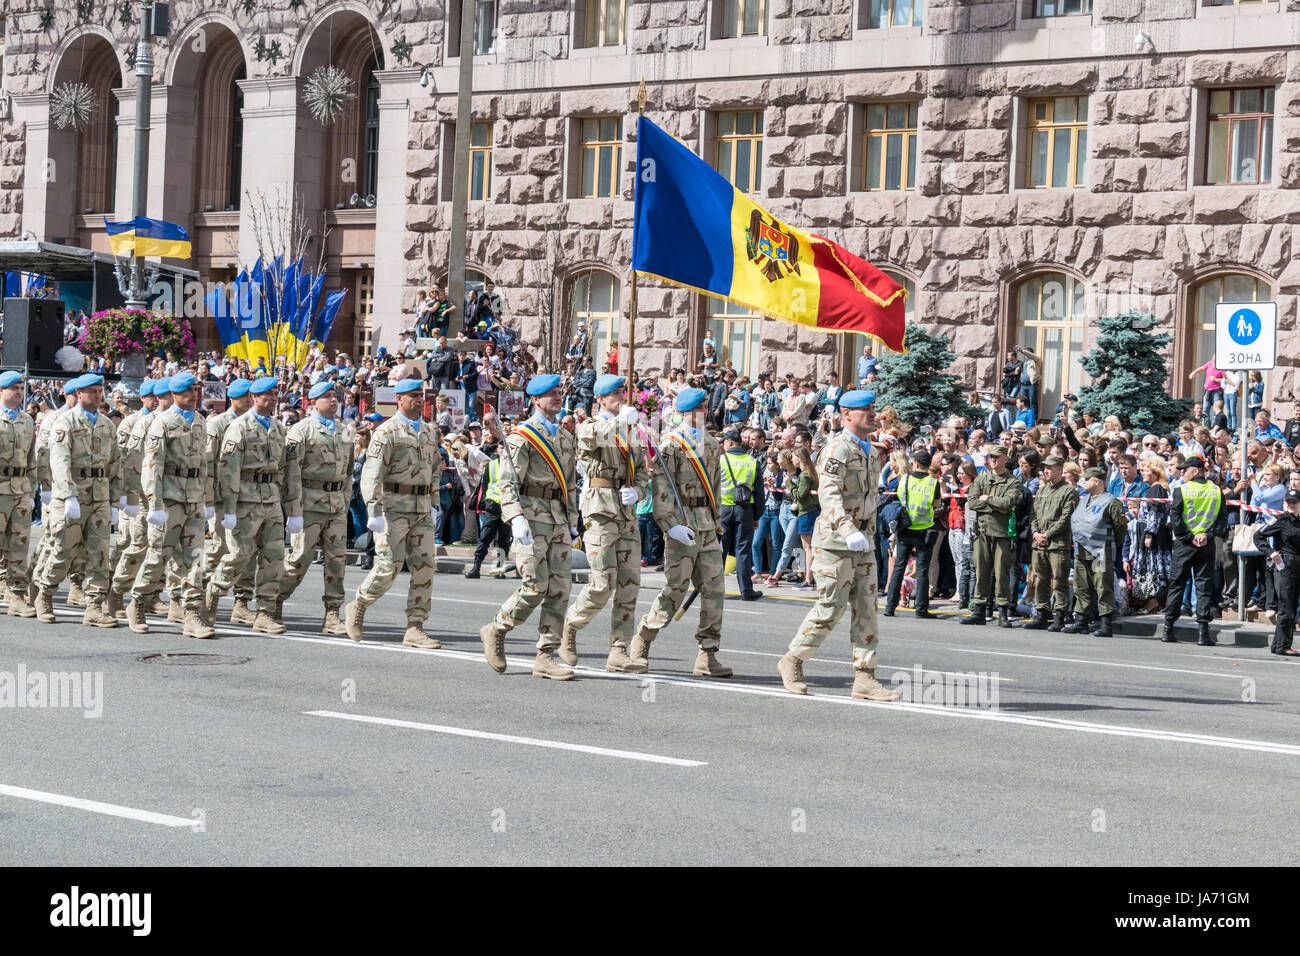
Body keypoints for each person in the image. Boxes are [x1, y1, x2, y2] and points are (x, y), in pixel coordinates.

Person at [778, 390, 900, 701]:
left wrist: (868, 533)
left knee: (867, 609)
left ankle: (865, 677)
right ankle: (792, 661)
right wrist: (848, 530)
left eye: (873, 409)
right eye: (866, 410)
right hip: (836, 542)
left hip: (863, 541)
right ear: (846, 415)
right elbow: (828, 495)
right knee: (830, 607)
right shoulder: (836, 449)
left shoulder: (871, 452)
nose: (873, 415)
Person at [479, 375, 580, 680]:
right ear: (535, 400)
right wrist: (516, 517)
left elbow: (570, 484)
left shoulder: (564, 437)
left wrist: (574, 521)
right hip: (531, 519)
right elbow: (507, 481)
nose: (557, 398)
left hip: (559, 519)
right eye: (550, 394)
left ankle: (545, 656)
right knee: (535, 586)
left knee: (560, 588)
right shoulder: (522, 437)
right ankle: (497, 628)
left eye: (559, 392)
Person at [632, 387, 733, 676]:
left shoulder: (712, 444)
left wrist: (716, 522)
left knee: (715, 591)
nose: (705, 410)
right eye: (700, 407)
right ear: (686, 412)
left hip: (706, 525)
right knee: (675, 590)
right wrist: (670, 524)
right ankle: (643, 639)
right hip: (682, 523)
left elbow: (715, 487)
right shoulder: (671, 446)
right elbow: (661, 488)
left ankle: (707, 654)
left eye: (705, 406)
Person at [343, 378, 442, 648]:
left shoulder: (429, 432)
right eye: (412, 396)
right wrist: (373, 510)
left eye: (420, 395)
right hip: (393, 508)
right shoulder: (387, 432)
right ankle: (359, 604)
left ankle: (415, 627)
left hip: (421, 509)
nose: (419, 400)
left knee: (424, 568)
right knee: (389, 566)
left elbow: (435, 468)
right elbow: (371, 473)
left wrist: (435, 504)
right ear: (398, 399)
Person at [561, 374, 649, 673]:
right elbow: (592, 440)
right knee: (603, 582)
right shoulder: (590, 425)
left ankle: (619, 649)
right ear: (600, 399)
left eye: (623, 392)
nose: (622, 397)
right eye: (615, 394)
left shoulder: (629, 430)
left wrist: (638, 490)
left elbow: (642, 472)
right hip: (600, 512)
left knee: (629, 584)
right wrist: (620, 422)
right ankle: (570, 627)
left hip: (626, 513)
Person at [205, 376, 296, 635]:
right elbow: (228, 470)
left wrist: (287, 504)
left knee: (274, 556)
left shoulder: (278, 428)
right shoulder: (239, 427)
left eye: (275, 393)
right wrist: (229, 509)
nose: (272, 398)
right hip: (244, 498)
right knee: (239, 555)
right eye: (266, 394)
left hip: (270, 498)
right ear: (254, 398)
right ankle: (211, 597)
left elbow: (281, 469)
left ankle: (264, 612)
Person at [126, 372, 211, 637]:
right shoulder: (162, 423)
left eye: (195, 390)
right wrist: (155, 504)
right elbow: (151, 466)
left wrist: (206, 499)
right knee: (157, 556)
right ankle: (138, 602)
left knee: (196, 558)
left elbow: (203, 464)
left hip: (194, 499)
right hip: (170, 499)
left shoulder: (199, 422)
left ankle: (192, 613)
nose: (193, 395)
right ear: (174, 395)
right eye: (187, 392)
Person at [35, 374, 122, 627]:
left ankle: (94, 606)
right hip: (73, 495)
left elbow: (115, 465)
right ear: (80, 393)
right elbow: (59, 461)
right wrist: (68, 494)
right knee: (63, 550)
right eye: (92, 391)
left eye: (100, 391)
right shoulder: (66, 423)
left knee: (99, 554)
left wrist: (115, 502)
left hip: (100, 496)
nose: (97, 395)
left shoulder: (106, 425)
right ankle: (45, 595)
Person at [278, 381, 353, 635]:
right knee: (300, 559)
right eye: (327, 396)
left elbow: (348, 472)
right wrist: (294, 512)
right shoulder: (301, 431)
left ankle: (332, 615)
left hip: (336, 505)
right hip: (309, 504)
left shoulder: (345, 431)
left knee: (337, 562)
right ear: (313, 403)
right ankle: (273, 603)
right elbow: (291, 473)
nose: (333, 400)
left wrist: (345, 499)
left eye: (335, 396)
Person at [191, 378, 255, 622]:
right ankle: (197, 593)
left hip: (249, 497)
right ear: (233, 399)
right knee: (220, 548)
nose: (249, 400)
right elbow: (209, 463)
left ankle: (241, 602)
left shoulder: (254, 423)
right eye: (244, 397)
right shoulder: (218, 424)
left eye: (251, 396)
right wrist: (208, 500)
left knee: (248, 552)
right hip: (222, 497)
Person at [1158, 456, 1228, 647]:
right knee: (1203, 587)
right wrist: (1206, 535)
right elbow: (1222, 521)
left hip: (1184, 545)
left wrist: (1190, 537)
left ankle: (1168, 630)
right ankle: (1203, 634)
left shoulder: (1182, 489)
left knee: (1177, 585)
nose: (1182, 473)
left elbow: (1175, 519)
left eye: (1185, 470)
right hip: (1207, 544)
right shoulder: (1216, 491)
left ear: (1195, 471)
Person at [960, 443, 1021, 628]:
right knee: (981, 572)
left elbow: (1009, 503)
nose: (992, 460)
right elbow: (972, 502)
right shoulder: (981, 480)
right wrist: (995, 506)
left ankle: (1002, 611)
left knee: (1002, 574)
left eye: (996, 457)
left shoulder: (1012, 481)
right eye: (990, 457)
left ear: (1005, 459)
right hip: (982, 532)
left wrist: (988, 500)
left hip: (1002, 533)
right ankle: (979, 611)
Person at [1063, 467, 1129, 637]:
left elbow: (1120, 528)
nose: (1083, 482)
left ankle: (1106, 624)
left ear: (1097, 481)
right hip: (1081, 550)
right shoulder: (1083, 500)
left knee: (1102, 586)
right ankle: (1081, 622)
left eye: (1087, 479)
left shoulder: (1111, 502)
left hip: (1100, 551)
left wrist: (1111, 544)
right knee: (1081, 586)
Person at [884, 449, 941, 619]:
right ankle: (921, 609)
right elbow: (936, 503)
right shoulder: (933, 483)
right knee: (922, 570)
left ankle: (890, 606)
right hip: (925, 531)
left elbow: (901, 500)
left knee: (899, 567)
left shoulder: (905, 479)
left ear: (915, 463)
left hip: (905, 529)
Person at [0, 371, 37, 617]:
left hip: (21, 489)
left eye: (22, 388)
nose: (19, 392)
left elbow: (31, 459)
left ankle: (16, 595)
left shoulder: (27, 420)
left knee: (19, 545)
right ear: (1, 391)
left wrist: (33, 491)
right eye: (14, 388)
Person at [1023, 455, 1074, 631]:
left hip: (1057, 544)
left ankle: (1060, 615)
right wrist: (1036, 533)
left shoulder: (1068, 491)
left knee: (1059, 580)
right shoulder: (1043, 490)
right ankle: (1042, 614)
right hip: (1039, 543)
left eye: (1050, 468)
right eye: (1045, 468)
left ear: (1060, 469)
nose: (1046, 471)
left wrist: (1047, 534)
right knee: (1040, 579)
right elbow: (1033, 515)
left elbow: (1066, 518)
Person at [1252, 488, 1300, 656]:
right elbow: (1258, 536)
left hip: (1298, 566)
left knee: (1292, 607)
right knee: (1286, 607)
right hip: (1285, 565)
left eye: (1294, 503)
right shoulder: (1279, 520)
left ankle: (1279, 644)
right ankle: (1282, 646)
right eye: (1288, 502)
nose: (1291, 505)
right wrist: (1271, 551)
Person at [719, 428, 764, 601]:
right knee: (743, 551)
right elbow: (759, 492)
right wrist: (756, 516)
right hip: (745, 510)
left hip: (723, 510)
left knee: (720, 551)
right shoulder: (752, 461)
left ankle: (715, 589)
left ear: (729, 443)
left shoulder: (721, 460)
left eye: (724, 443)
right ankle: (746, 591)